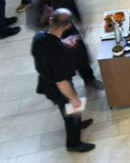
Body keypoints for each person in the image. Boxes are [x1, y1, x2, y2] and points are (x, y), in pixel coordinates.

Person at [31, 9, 96, 152]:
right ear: (68, 25)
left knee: (71, 112)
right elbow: (62, 82)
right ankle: (73, 144)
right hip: (58, 88)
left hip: (45, 81)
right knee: (71, 114)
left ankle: (78, 124)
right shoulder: (59, 52)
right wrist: (74, 99)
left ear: (50, 20)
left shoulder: (38, 37)